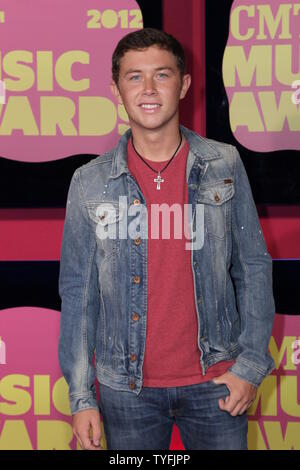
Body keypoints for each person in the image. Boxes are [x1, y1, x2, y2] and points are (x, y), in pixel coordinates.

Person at [58, 28, 276, 450]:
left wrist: (249, 366)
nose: (149, 89)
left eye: (162, 74)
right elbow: (78, 294)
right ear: (116, 88)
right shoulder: (89, 182)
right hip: (126, 390)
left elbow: (253, 267)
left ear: (185, 83)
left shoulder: (223, 163)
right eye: (134, 77)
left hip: (218, 382)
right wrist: (82, 397)